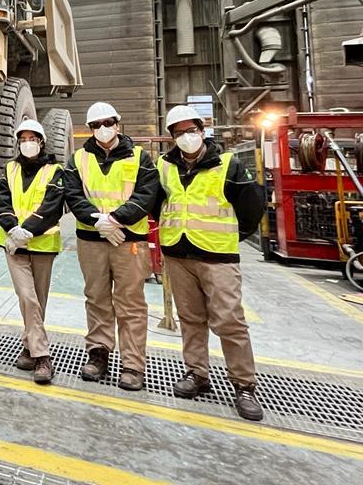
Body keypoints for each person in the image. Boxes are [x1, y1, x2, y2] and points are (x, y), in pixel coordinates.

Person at [153, 105, 266, 421]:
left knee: (229, 321)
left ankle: (244, 385)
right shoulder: (165, 166)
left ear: (202, 131)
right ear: (172, 137)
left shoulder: (227, 165)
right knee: (190, 317)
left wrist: (232, 235)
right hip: (178, 252)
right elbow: (155, 203)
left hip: (217, 256)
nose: (186, 137)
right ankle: (197, 374)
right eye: (179, 133)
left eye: (191, 130)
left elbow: (252, 207)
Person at [63, 101, 159, 391]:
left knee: (130, 303)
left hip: (128, 242)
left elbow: (146, 196)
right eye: (96, 125)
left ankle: (132, 364)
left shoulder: (140, 158)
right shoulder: (78, 159)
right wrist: (99, 224)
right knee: (96, 298)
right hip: (92, 240)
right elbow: (73, 195)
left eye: (107, 123)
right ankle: (99, 353)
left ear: (118, 124)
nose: (102, 129)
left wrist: (116, 220)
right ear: (90, 129)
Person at [0, 119, 66, 384]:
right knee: (27, 297)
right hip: (14, 246)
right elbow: (1, 199)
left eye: (32, 139)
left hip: (43, 244)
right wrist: (13, 229)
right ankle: (43, 356)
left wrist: (29, 230)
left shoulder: (56, 171)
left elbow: (53, 205)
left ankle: (28, 346)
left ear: (41, 142)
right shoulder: (9, 169)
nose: (27, 144)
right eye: (22, 139)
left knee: (38, 300)